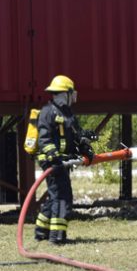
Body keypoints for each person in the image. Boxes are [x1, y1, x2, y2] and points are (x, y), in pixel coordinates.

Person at [33, 75, 94, 245]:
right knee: (62, 197)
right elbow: (44, 140)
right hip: (52, 162)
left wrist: (85, 149)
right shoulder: (47, 112)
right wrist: (53, 155)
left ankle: (41, 231)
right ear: (64, 93)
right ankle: (57, 236)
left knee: (55, 196)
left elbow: (76, 136)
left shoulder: (68, 114)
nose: (74, 95)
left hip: (62, 162)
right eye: (71, 92)